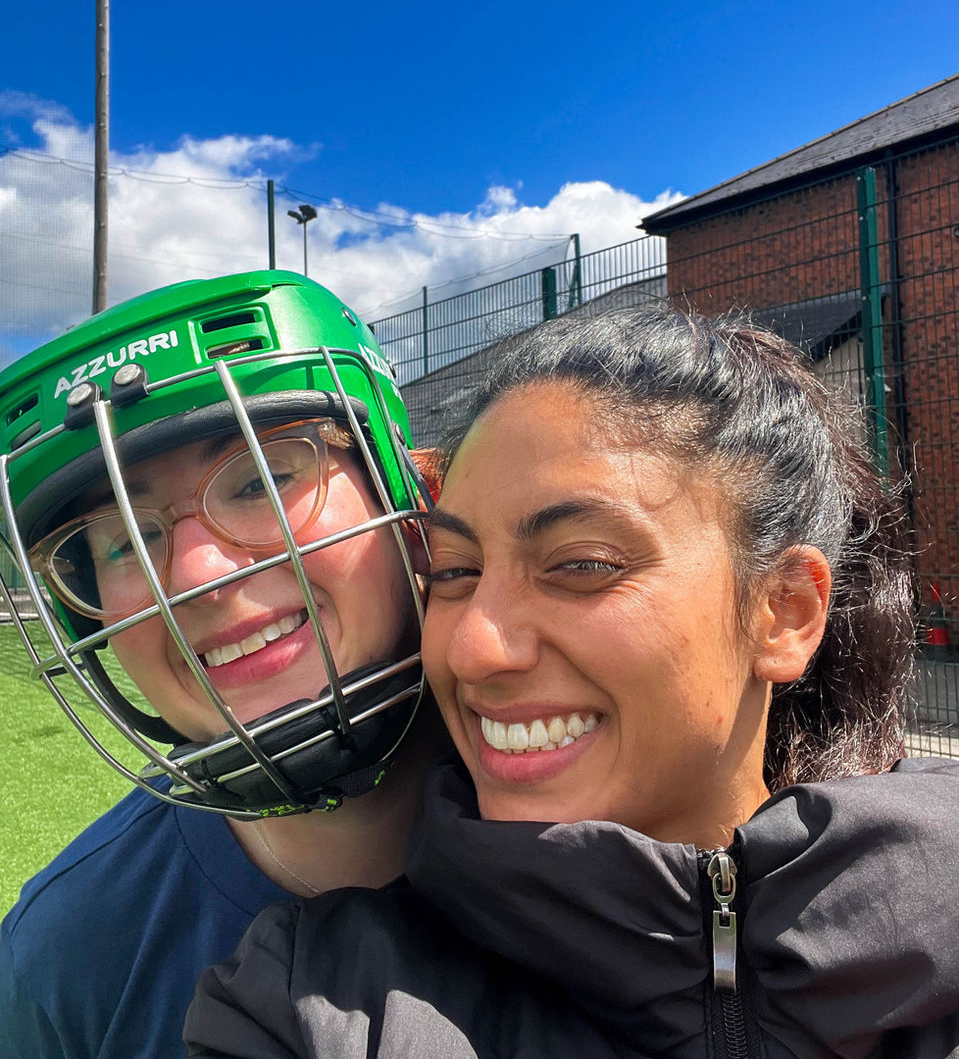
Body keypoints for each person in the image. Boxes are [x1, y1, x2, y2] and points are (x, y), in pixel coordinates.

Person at [185, 304, 959, 1059]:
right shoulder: (321, 1006)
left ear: (783, 612)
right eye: (454, 572)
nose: (476, 649)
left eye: (581, 565)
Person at [0, 269, 439, 1059]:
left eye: (264, 479)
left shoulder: (621, 816)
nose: (200, 577)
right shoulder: (65, 962)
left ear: (400, 498)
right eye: (123, 542)